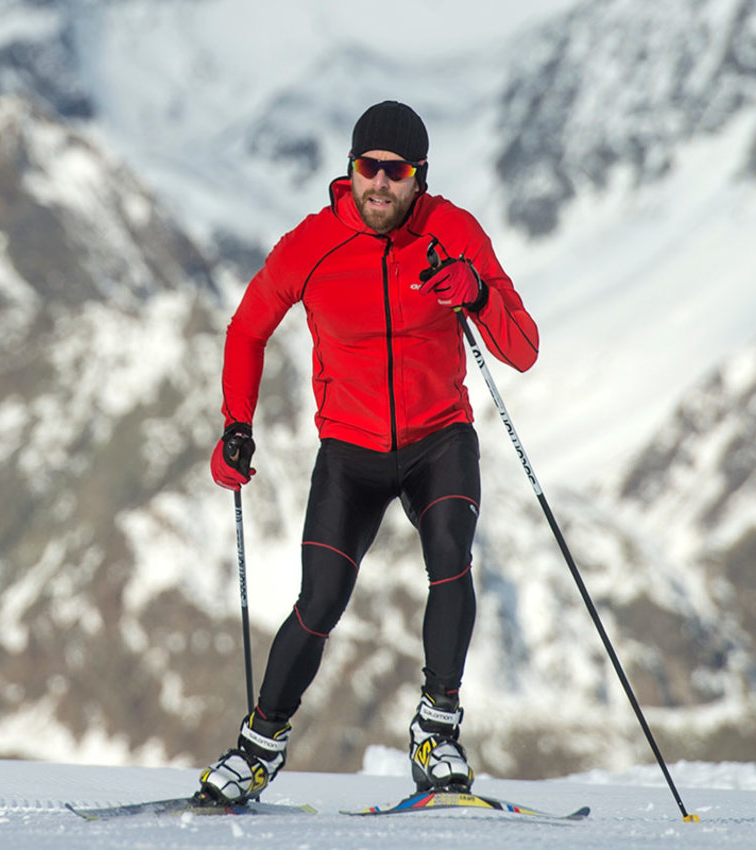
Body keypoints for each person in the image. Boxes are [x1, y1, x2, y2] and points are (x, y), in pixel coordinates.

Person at [195, 100, 540, 805]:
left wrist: (476, 293)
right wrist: (237, 425)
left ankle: (437, 730)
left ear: (419, 177)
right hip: (349, 453)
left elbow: (523, 348)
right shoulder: (312, 244)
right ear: (350, 169)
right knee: (319, 601)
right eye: (367, 168)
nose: (379, 183)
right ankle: (258, 747)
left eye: (396, 171)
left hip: (438, 439)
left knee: (451, 555)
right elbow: (248, 329)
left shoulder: (452, 232)